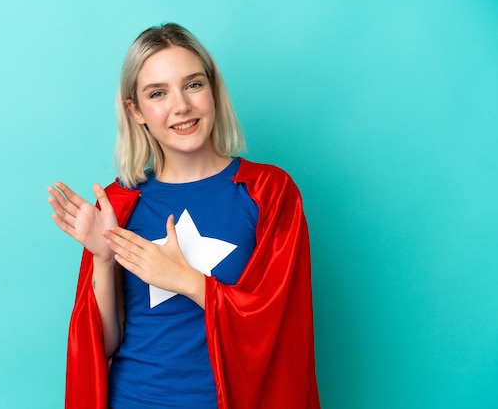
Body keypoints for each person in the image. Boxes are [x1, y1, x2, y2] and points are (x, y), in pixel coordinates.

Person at [47, 23, 320, 409]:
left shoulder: (268, 191)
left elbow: (280, 326)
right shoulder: (118, 204)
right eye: (158, 93)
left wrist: (188, 281)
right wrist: (103, 260)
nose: (181, 106)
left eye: (193, 85)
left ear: (212, 89)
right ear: (136, 111)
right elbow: (104, 343)